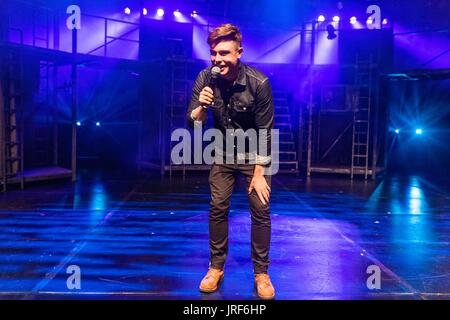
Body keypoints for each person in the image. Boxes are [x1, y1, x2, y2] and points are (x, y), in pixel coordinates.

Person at [186, 23, 275, 299]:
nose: (218, 59)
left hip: (255, 156)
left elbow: (265, 132)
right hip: (223, 152)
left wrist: (259, 173)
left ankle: (261, 273)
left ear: (239, 52)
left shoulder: (258, 83)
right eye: (214, 53)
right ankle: (216, 268)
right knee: (217, 208)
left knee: (260, 210)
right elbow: (193, 125)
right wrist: (201, 106)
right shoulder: (205, 78)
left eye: (224, 53)